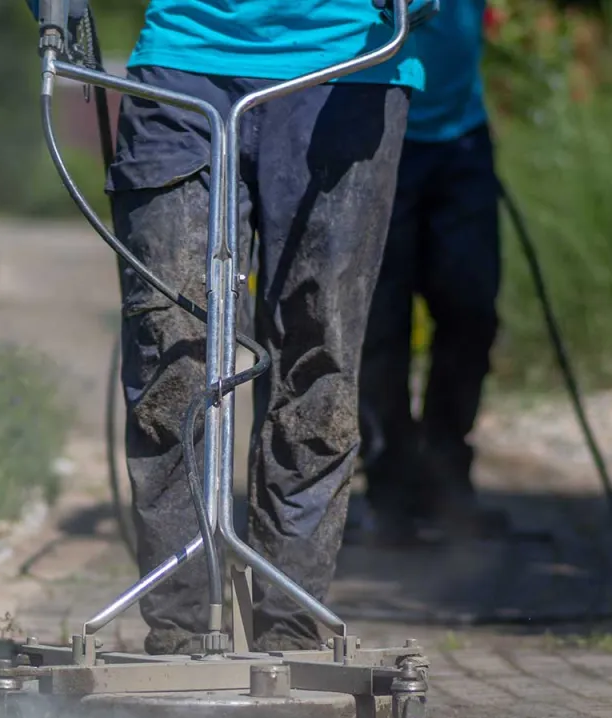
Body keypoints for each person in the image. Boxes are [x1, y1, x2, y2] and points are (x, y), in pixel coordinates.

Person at [40, 1, 425, 653]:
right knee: (174, 360)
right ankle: (182, 631)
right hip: (181, 67)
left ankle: (293, 632)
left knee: (319, 366)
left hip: (348, 73)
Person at [353, 0, 508, 545]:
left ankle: (445, 476)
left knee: (472, 309)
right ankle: (389, 487)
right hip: (370, 121)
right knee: (379, 324)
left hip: (460, 135)